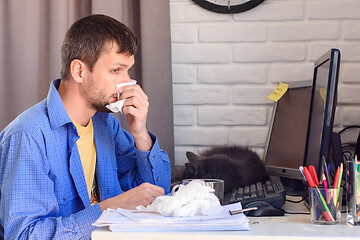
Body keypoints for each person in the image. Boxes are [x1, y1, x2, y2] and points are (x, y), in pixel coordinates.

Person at [0, 14, 171, 239]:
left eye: (128, 71)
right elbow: (23, 235)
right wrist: (107, 210)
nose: (126, 83)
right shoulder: (28, 135)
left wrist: (140, 133)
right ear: (79, 71)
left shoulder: (107, 125)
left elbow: (156, 193)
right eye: (116, 70)